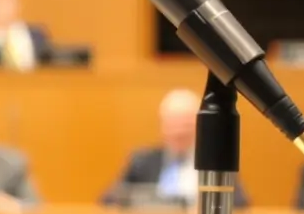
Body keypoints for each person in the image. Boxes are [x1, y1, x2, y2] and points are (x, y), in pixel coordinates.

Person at [101, 89, 250, 207]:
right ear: (162, 127)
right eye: (173, 125)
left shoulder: (215, 163)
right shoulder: (142, 161)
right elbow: (109, 199)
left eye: (185, 125)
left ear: (199, 127)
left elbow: (240, 203)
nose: (179, 132)